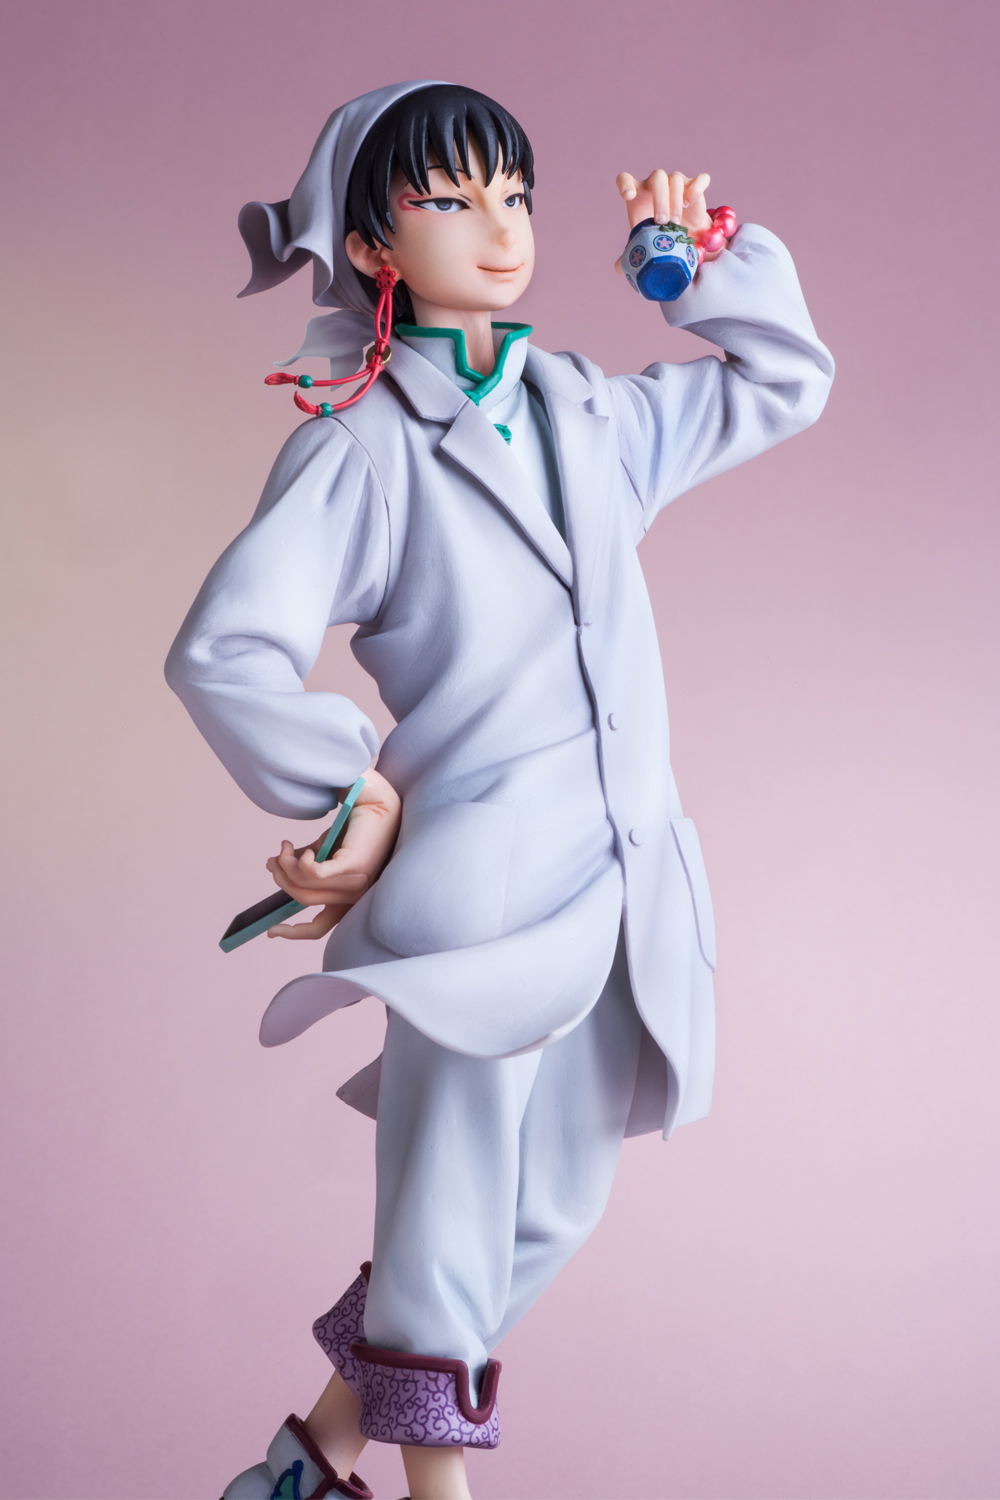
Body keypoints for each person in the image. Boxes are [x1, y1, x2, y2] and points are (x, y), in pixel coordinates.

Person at [165, 80, 834, 1500]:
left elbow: (783, 383)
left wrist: (697, 266)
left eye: (515, 194)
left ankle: (304, 1472)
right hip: (473, 898)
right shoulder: (359, 447)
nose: (501, 227)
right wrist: (352, 790)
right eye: (451, 200)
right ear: (372, 246)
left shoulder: (589, 412)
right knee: (450, 1211)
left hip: (622, 882)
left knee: (547, 1208)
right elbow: (225, 651)